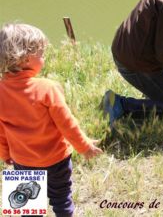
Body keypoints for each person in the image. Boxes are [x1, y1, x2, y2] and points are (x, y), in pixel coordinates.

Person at [0, 23, 102, 217]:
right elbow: (67, 123)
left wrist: (5, 154)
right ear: (25, 58)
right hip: (56, 159)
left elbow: (1, 130)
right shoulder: (47, 88)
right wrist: (84, 146)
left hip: (22, 159)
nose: (44, 59)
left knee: (26, 205)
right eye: (41, 54)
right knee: (61, 200)